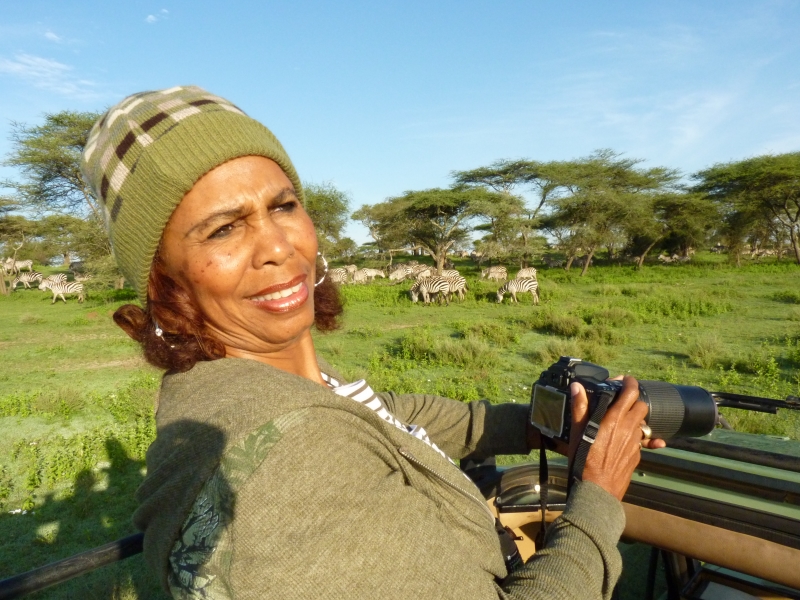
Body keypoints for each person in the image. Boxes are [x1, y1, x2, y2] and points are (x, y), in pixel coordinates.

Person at [81, 86, 663, 599]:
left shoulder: (267, 382)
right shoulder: (292, 461)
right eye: (223, 229)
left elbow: (389, 415)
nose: (279, 246)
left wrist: (541, 426)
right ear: (162, 279)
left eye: (283, 206)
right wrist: (597, 494)